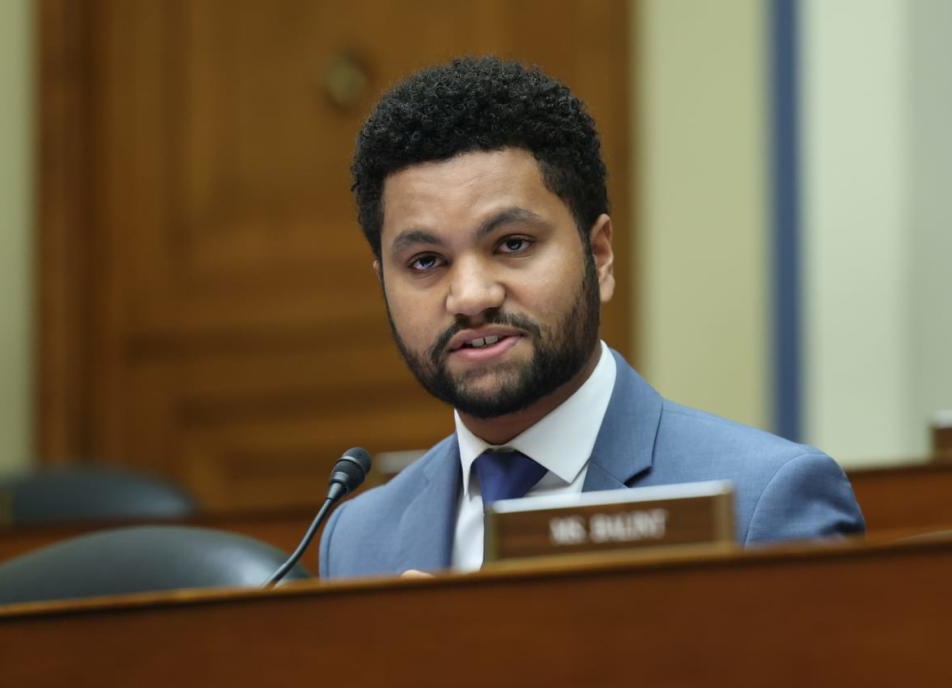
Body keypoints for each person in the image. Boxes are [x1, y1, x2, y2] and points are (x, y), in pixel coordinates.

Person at [318, 56, 864, 579]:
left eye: (512, 243)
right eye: (426, 262)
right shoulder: (358, 538)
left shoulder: (763, 503)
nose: (470, 296)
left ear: (598, 254)